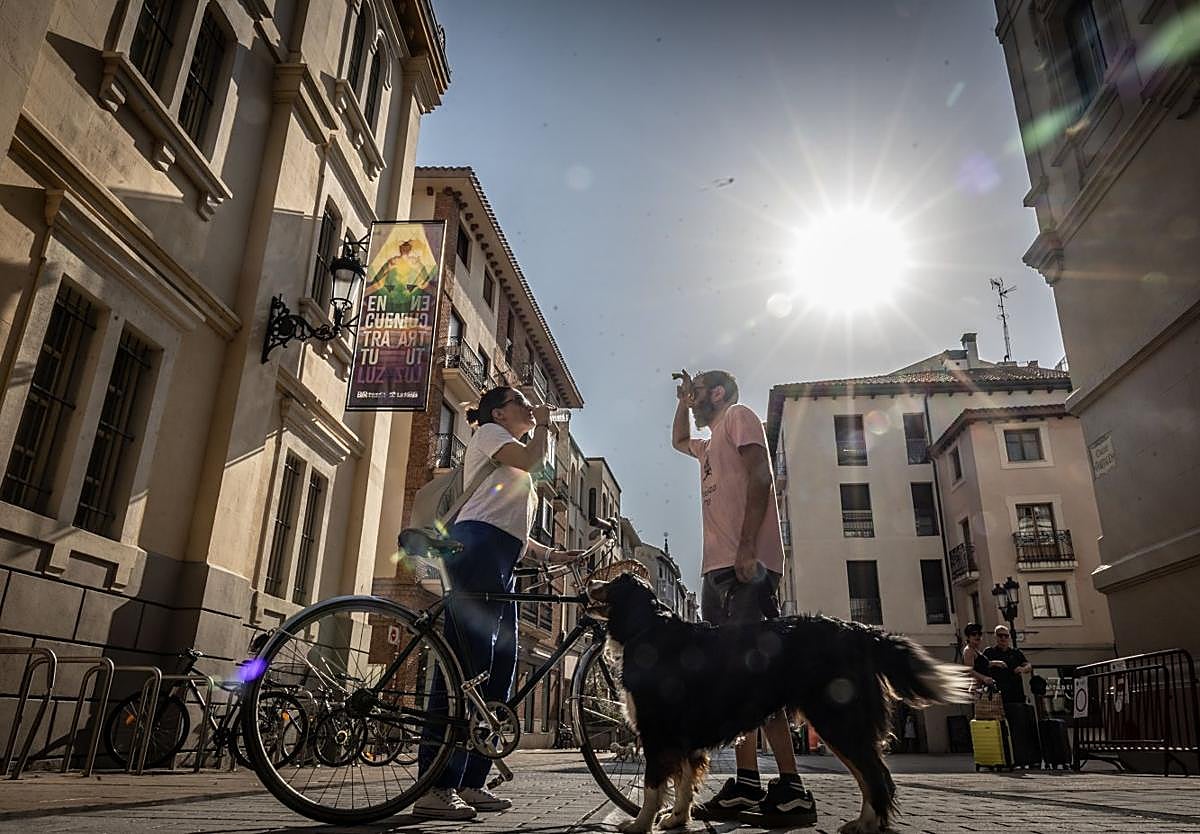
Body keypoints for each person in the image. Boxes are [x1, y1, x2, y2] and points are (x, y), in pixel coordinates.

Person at [413, 386, 580, 820]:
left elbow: (512, 527)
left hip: (502, 554)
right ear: (500, 412)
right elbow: (528, 464)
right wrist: (543, 426)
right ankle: (436, 786)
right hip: (477, 550)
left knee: (500, 670)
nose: (530, 407)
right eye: (523, 402)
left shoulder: (510, 445)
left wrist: (550, 555)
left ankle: (472, 780)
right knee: (465, 667)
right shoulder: (489, 434)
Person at [671, 369, 818, 827]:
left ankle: (792, 788)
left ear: (716, 392)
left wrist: (749, 546)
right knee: (733, 682)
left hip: (745, 568)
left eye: (697, 396)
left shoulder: (738, 415)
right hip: (716, 572)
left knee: (758, 677)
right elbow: (679, 440)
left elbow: (761, 478)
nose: (694, 404)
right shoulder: (707, 443)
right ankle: (748, 782)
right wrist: (680, 399)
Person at [978, 625, 1031, 704]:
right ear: (995, 637)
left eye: (1006, 636)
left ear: (1009, 637)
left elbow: (1028, 666)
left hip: (1015, 695)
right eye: (1000, 635)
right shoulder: (989, 652)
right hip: (996, 695)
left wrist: (1022, 669)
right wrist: (994, 663)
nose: (1003, 638)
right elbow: (980, 666)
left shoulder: (1016, 652)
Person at [962, 623, 996, 690]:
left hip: (983, 687)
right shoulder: (969, 651)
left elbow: (982, 665)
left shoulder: (975, 649)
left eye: (979, 634)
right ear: (968, 637)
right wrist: (984, 678)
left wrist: (997, 663)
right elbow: (969, 671)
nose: (977, 636)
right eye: (974, 634)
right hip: (977, 688)